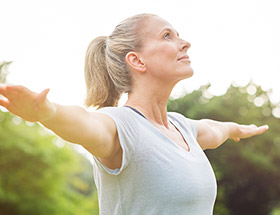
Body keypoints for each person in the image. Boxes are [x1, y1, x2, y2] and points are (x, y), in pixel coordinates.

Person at [0, 14, 268, 215]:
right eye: (167, 36)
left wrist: (238, 129)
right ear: (137, 61)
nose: (185, 43)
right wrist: (47, 112)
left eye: (178, 35)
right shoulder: (121, 126)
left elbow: (215, 128)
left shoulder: (183, 128)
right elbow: (85, 122)